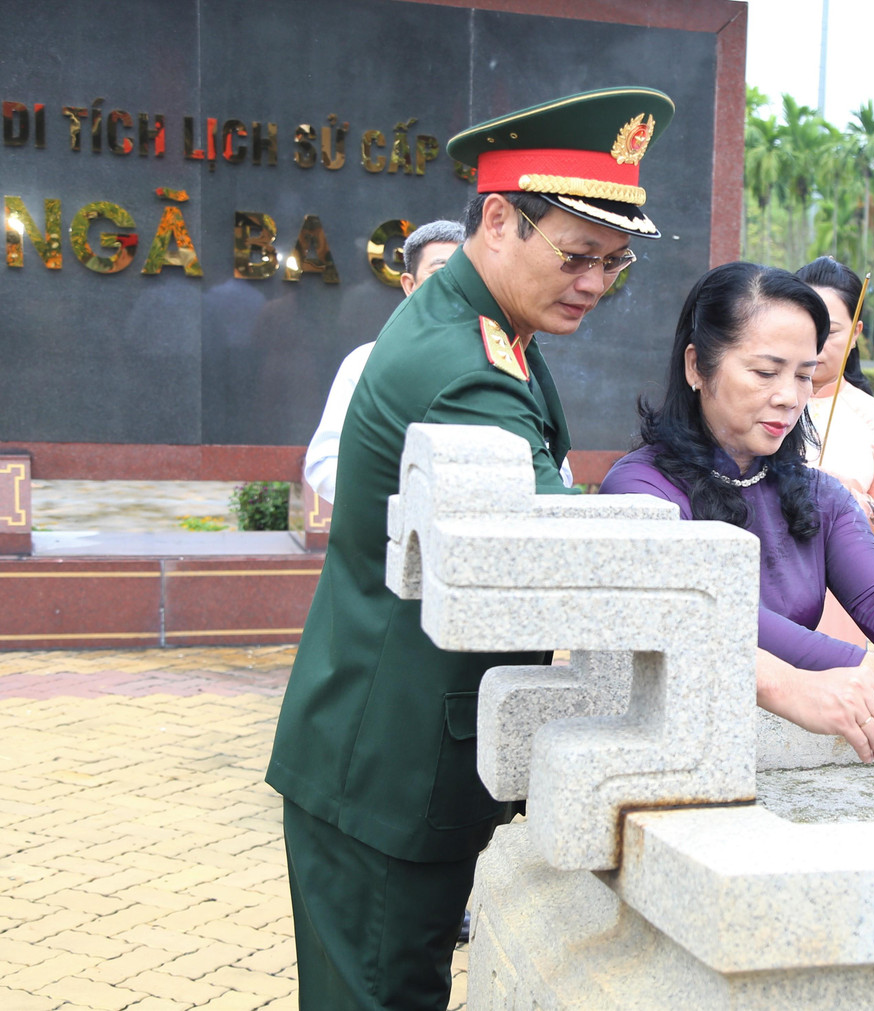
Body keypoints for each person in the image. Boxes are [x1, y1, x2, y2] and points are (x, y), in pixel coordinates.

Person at [266, 87, 674, 1010]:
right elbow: (567, 566)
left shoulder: (490, 328)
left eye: (614, 265)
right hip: (392, 760)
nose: (595, 285)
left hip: (390, 740)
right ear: (498, 217)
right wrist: (784, 675)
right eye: (577, 256)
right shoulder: (465, 369)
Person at [599, 262, 874, 766]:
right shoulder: (641, 491)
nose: (789, 397)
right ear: (697, 366)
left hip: (787, 756)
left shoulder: (820, 495)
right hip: (676, 751)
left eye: (805, 375)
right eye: (765, 372)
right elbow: (717, 615)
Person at [303, 219, 467, 504]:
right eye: (441, 273)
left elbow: (552, 467)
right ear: (410, 285)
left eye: (467, 275)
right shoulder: (366, 363)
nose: (455, 285)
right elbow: (324, 463)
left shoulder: (508, 360)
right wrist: (407, 503)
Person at [794, 256, 874, 647]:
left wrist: (850, 503)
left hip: (847, 593)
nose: (817, 346)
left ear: (855, 333)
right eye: (808, 329)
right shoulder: (767, 404)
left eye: (832, 332)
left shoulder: (873, 417)